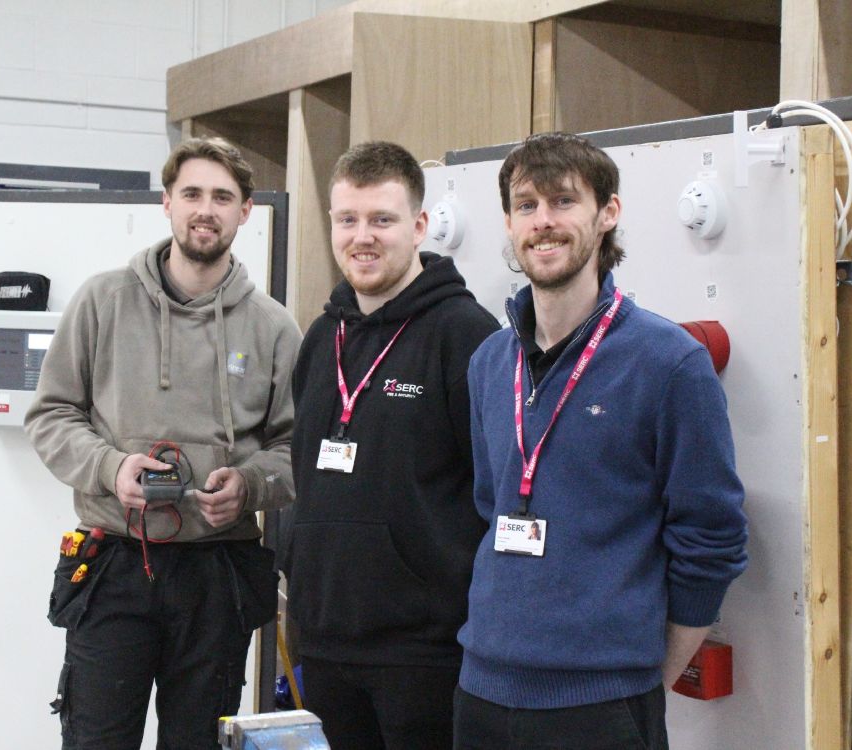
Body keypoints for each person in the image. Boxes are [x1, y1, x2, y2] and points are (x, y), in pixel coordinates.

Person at [454, 132, 748, 749]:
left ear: (608, 213)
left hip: (601, 703)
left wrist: (647, 673)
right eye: (526, 205)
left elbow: (712, 535)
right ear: (508, 223)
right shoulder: (488, 363)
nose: (544, 222)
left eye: (563, 201)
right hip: (481, 690)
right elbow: (491, 505)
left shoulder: (669, 364)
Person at [25, 137, 302, 749]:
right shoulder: (102, 302)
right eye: (193, 194)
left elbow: (294, 452)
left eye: (223, 197)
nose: (207, 209)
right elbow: (50, 416)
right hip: (115, 563)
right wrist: (110, 466)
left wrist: (251, 486)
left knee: (198, 743)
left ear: (246, 211)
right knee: (97, 739)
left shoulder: (275, 328)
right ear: (168, 203)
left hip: (217, 569)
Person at [288, 141, 501, 749]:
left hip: (425, 652)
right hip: (326, 643)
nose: (363, 237)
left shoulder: (466, 335)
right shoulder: (322, 335)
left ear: (419, 225)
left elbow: (497, 491)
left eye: (381, 219)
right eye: (347, 219)